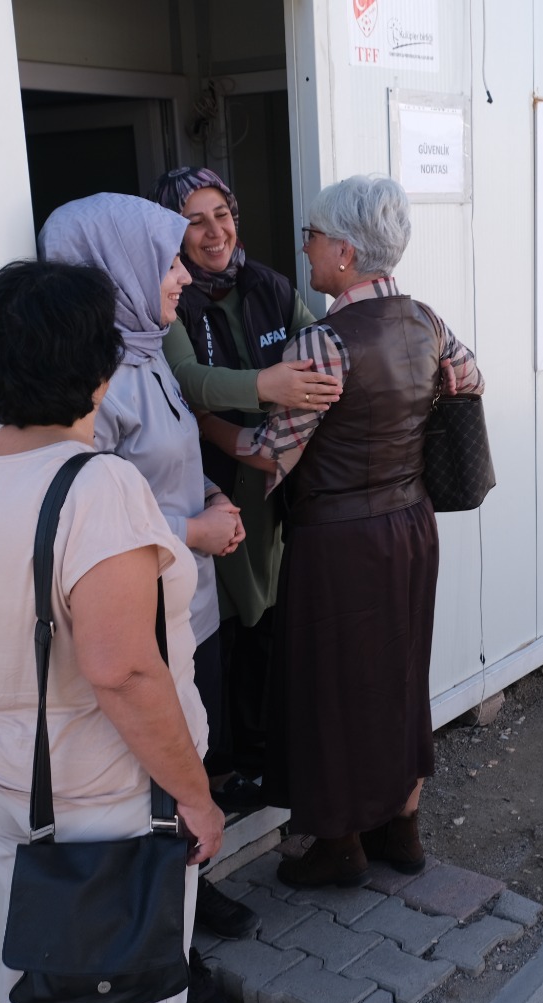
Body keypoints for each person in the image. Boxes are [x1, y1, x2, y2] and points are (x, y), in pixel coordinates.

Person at [0, 260, 225, 1003]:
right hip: (104, 798)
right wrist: (195, 798)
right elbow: (124, 669)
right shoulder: (98, 486)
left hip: (6, 775)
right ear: (101, 372)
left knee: (40, 980)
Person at [199, 175, 483, 888]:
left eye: (314, 237)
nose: (306, 247)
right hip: (411, 525)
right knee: (398, 674)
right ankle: (403, 828)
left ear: (346, 255)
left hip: (337, 539)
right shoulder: (425, 319)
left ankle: (340, 845)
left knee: (332, 688)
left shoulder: (323, 344)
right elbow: (469, 381)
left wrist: (204, 419)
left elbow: (273, 454)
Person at [36, 193, 240, 1003]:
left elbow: (168, 463)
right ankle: (172, 968)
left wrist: (213, 493)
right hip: (145, 616)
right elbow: (90, 504)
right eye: (163, 258)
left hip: (192, 603)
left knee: (197, 755)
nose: (181, 271)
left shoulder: (152, 348)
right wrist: (192, 526)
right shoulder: (96, 382)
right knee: (159, 789)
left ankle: (200, 897)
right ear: (113, 269)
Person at [154, 166, 329, 817]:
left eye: (221, 214)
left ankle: (259, 760)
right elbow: (189, 381)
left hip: (272, 488)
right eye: (194, 220)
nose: (213, 232)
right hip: (206, 494)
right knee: (217, 631)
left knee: (266, 620)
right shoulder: (166, 299)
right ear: (172, 232)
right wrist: (264, 389)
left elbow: (321, 344)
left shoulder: (269, 286)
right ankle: (221, 772)